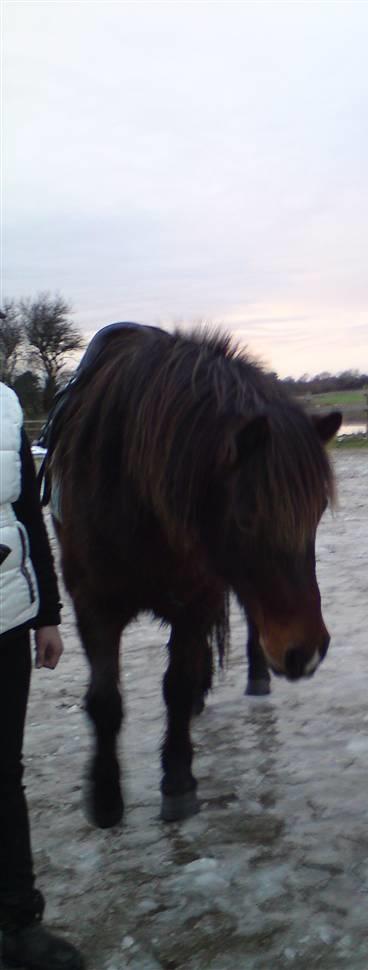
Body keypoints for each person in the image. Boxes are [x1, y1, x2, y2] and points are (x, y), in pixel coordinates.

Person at [0, 380, 84, 970]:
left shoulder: (6, 406)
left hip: (7, 613)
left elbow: (28, 516)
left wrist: (47, 615)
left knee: (4, 774)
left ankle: (16, 920)